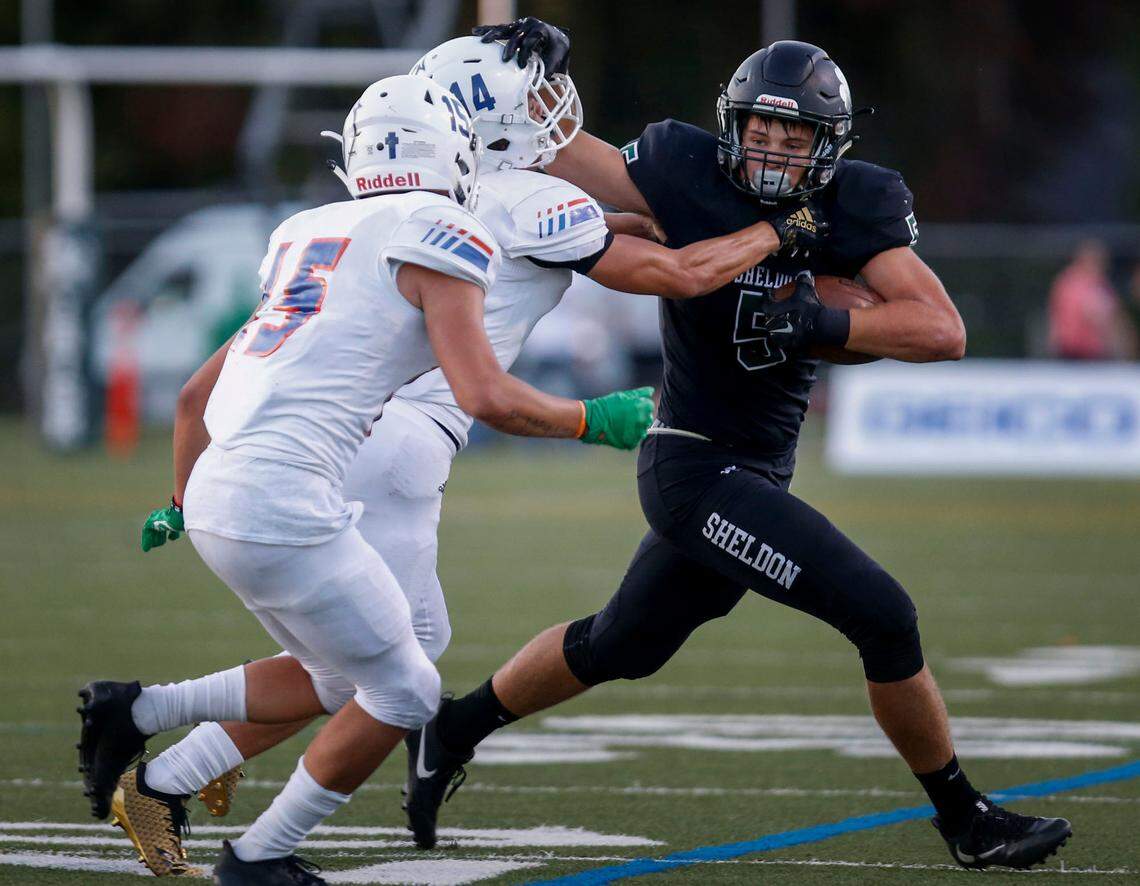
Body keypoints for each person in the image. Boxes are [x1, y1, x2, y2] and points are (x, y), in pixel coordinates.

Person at [100, 39, 803, 878]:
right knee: (392, 680)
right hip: (387, 445)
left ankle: (164, 748)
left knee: (379, 655)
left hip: (304, 442)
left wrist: (182, 494)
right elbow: (678, 274)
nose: (554, 114)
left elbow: (195, 395)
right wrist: (777, 229)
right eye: (534, 102)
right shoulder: (483, 212)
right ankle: (194, 797)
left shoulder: (337, 223)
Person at [399, 21, 1073, 872]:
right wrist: (481, 75)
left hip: (760, 465)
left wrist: (824, 318)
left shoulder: (855, 202)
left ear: (829, 144)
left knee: (621, 644)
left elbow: (942, 329)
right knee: (883, 615)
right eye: (758, 128)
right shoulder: (683, 169)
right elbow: (555, 145)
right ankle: (967, 820)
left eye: (794, 134)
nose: (772, 147)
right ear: (731, 124)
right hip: (690, 463)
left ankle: (448, 731)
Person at [1047, 239, 1134, 360]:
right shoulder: (1071, 283)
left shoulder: (1101, 284)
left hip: (1093, 355)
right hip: (1073, 354)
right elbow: (1099, 316)